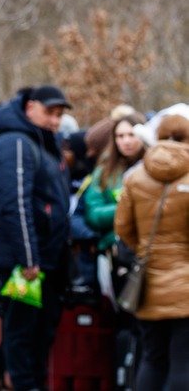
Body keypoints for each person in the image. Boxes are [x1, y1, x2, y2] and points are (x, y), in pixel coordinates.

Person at [0, 85, 72, 391]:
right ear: (30, 107)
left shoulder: (42, 141)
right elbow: (15, 203)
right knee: (23, 335)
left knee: (30, 334)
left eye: (59, 115)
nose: (55, 121)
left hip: (43, 259)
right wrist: (29, 259)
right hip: (23, 263)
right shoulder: (16, 142)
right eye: (50, 113)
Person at [114, 114, 189, 391]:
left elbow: (122, 228)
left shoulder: (135, 178)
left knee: (153, 358)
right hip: (186, 286)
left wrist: (145, 249)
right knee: (183, 360)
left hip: (148, 284)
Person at [84, 113, 146, 252]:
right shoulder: (104, 170)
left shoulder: (157, 167)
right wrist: (126, 206)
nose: (126, 141)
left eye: (131, 134)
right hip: (116, 247)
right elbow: (93, 214)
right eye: (120, 136)